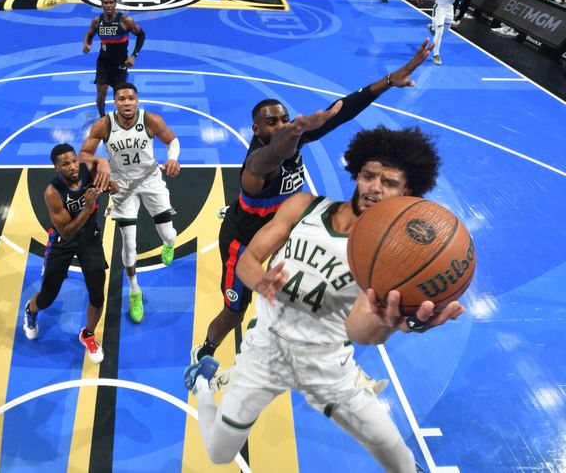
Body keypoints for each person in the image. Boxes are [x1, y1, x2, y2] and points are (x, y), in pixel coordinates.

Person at [184, 125, 465, 471]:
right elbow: (246, 261)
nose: (375, 187)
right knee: (219, 452)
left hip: (326, 361)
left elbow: (360, 331)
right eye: (369, 175)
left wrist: (390, 322)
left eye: (389, 183)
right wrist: (262, 282)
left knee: (399, 458)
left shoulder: (389, 257)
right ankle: (204, 383)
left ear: (408, 191)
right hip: (265, 349)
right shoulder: (304, 207)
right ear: (357, 174)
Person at [191, 39, 436, 365]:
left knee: (304, 288)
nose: (281, 125)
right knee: (234, 311)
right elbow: (272, 155)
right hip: (243, 239)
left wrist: (390, 80)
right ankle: (205, 350)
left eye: (284, 119)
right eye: (272, 122)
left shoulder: (294, 137)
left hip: (284, 228)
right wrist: (288, 137)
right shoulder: (256, 166)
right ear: (256, 129)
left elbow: (341, 111)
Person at [79, 82, 179, 324]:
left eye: (131, 98)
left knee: (168, 234)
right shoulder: (103, 125)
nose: (126, 102)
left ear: (137, 101)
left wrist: (173, 159)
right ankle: (135, 291)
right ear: (115, 102)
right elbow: (83, 155)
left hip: (151, 179)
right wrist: (100, 162)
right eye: (121, 98)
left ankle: (169, 243)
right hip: (121, 186)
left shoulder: (150, 120)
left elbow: (172, 140)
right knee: (129, 243)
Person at [21, 143, 116, 364]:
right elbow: (67, 231)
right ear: (56, 167)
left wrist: (112, 186)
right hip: (64, 241)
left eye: (74, 160)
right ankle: (31, 310)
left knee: (97, 294)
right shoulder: (52, 193)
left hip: (90, 240)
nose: (73, 166)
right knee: (47, 297)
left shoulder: (88, 171)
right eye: (65, 164)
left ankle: (88, 335)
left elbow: (104, 172)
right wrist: (88, 206)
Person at [82, 0, 145, 119]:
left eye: (111, 2)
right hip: (103, 63)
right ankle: (102, 118)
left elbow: (141, 35)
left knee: (122, 97)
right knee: (101, 96)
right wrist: (86, 44)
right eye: (106, 3)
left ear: (115, 4)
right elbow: (88, 35)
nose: (108, 5)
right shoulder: (97, 21)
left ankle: (123, 119)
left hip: (120, 65)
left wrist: (134, 56)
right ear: (102, 5)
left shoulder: (125, 21)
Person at [422, 0, 467, 65]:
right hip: (440, 7)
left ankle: (433, 27)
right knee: (440, 32)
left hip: (450, 8)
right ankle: (436, 55)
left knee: (446, 29)